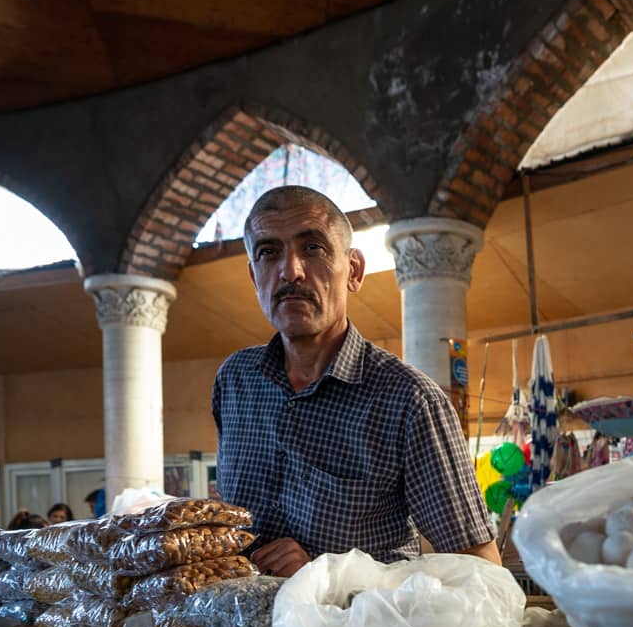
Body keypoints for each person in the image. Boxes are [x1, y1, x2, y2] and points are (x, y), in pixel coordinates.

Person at [212, 185, 498, 577]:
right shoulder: (235, 383)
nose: (290, 271)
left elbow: (481, 570)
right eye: (268, 252)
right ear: (254, 276)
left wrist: (327, 577)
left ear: (355, 271)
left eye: (312, 248)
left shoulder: (409, 401)